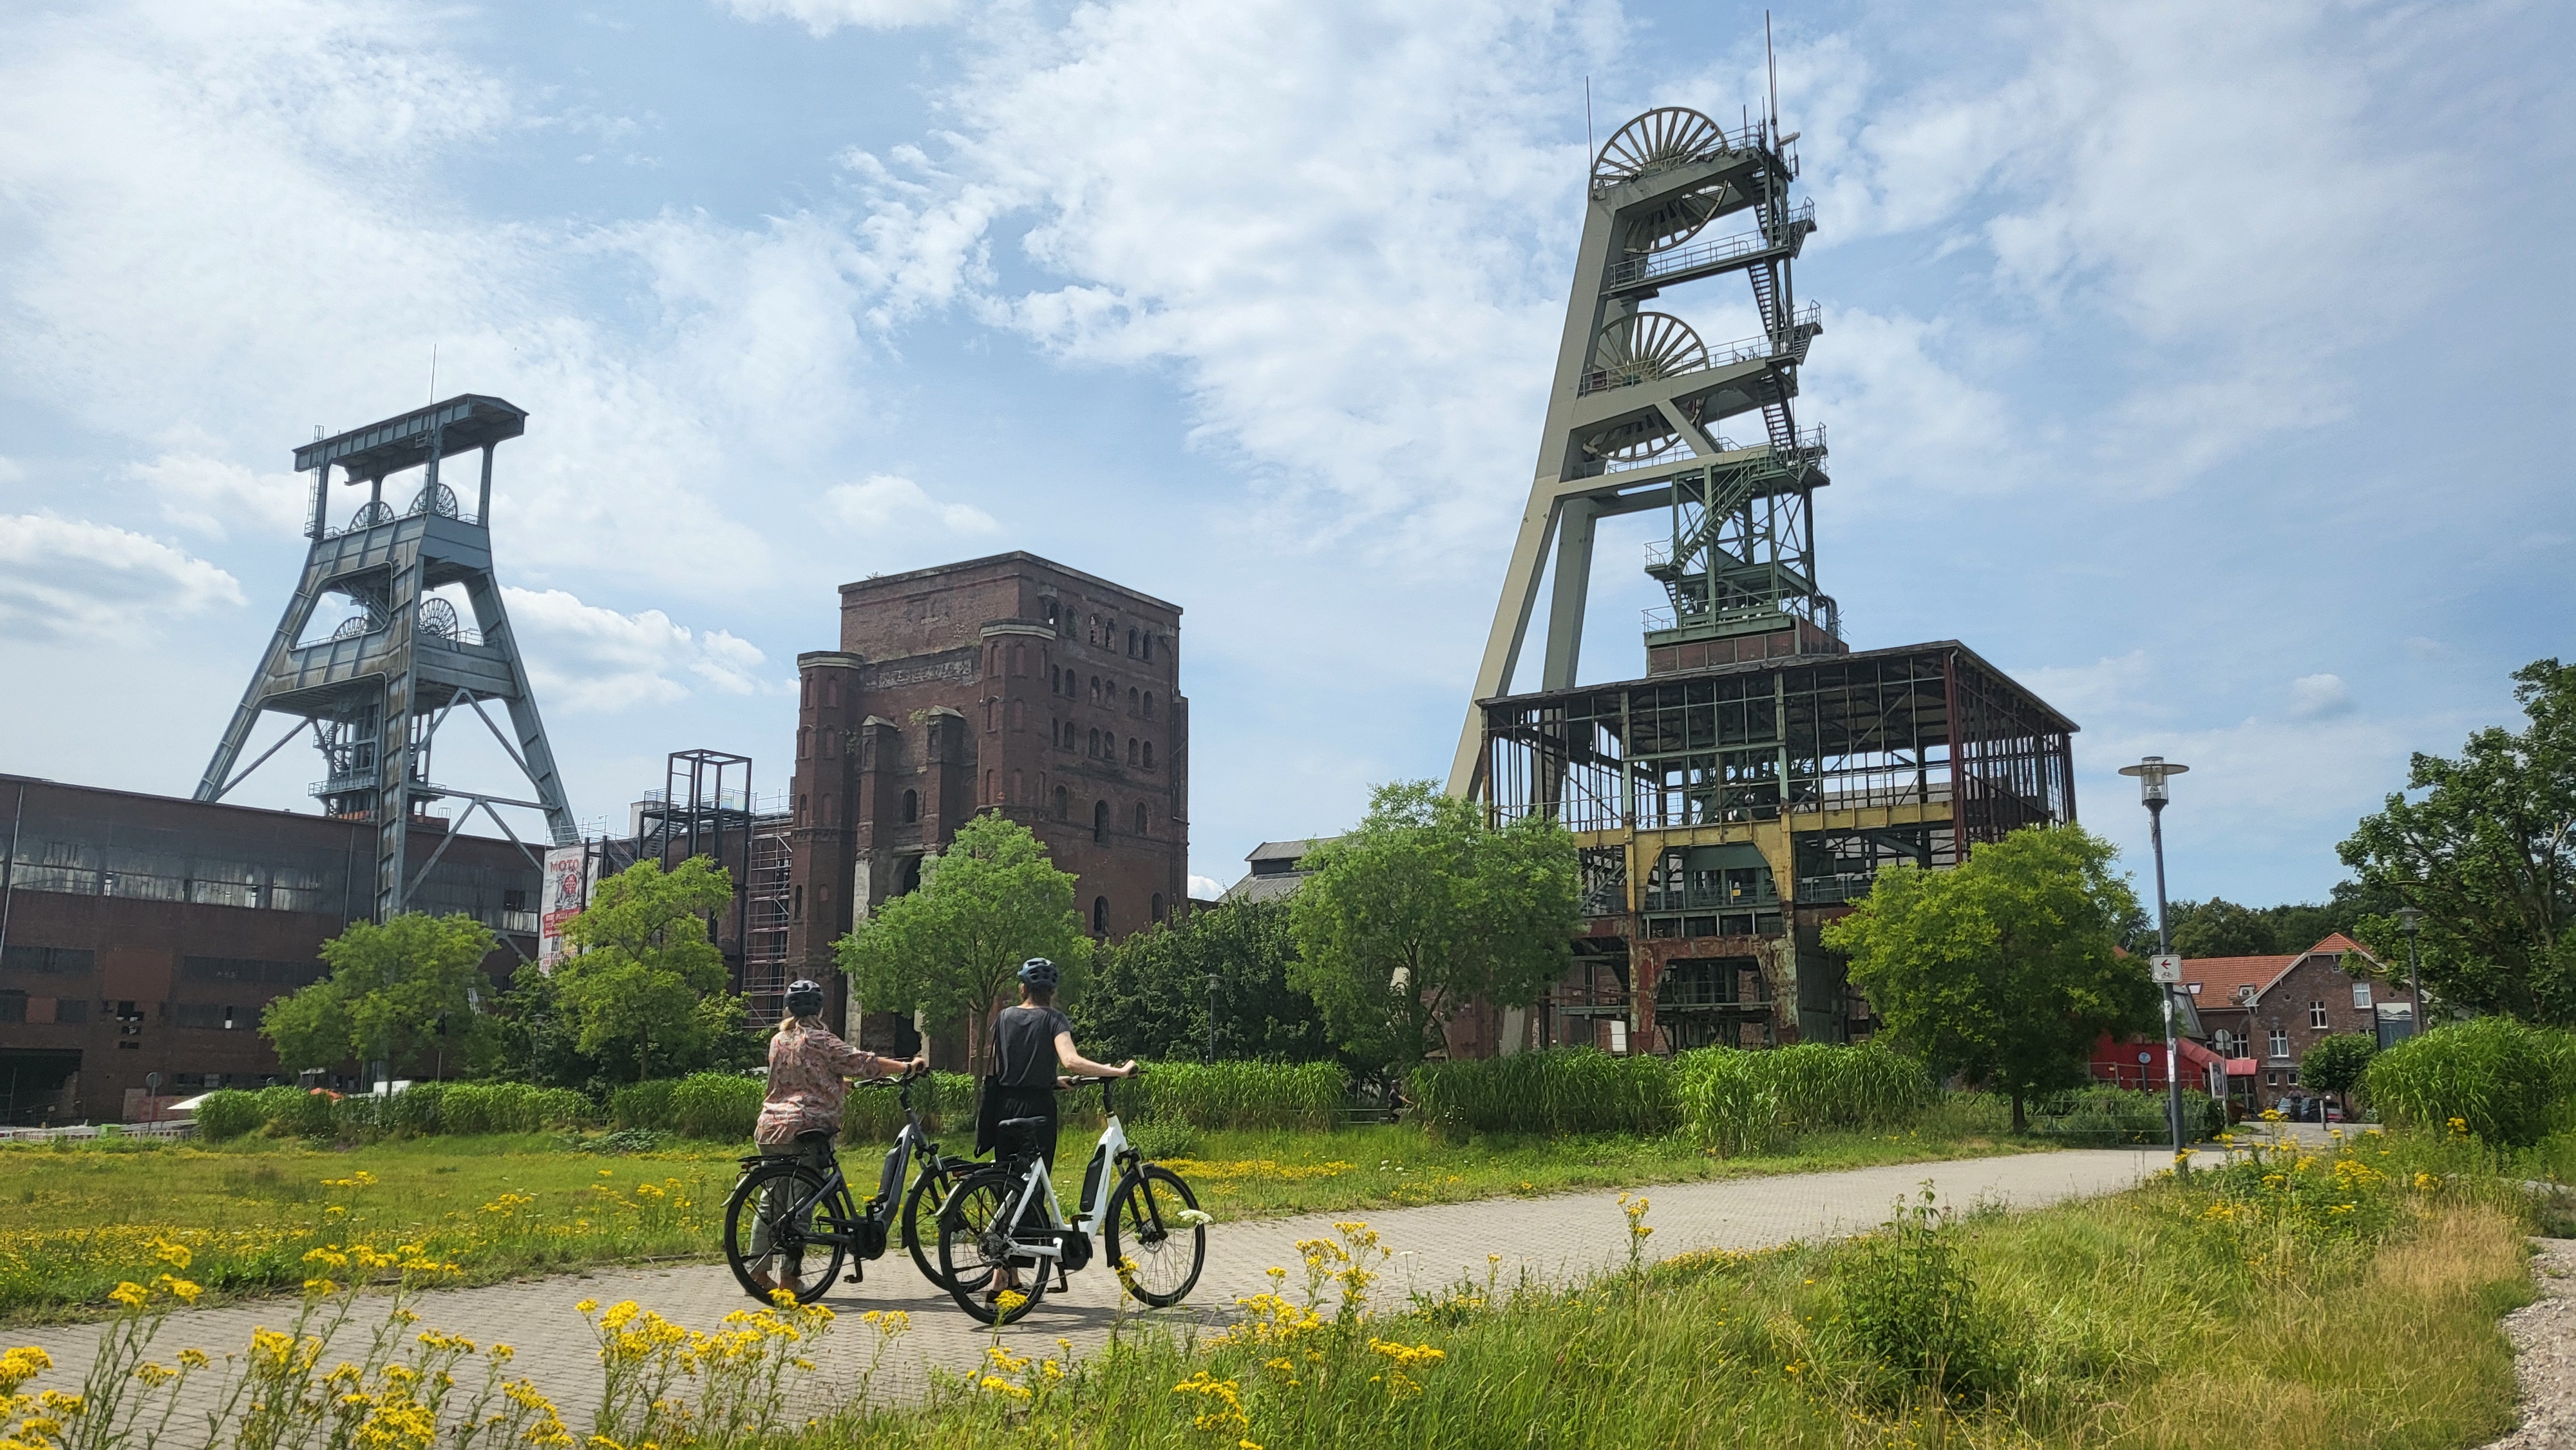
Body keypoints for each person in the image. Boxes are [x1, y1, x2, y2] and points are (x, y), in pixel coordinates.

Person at [748, 977, 925, 1297]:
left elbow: (795, 1075)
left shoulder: (779, 1040)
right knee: (802, 1202)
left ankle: (758, 1273)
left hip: (771, 1127)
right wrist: (908, 1067)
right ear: (820, 1009)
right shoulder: (822, 1039)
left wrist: (835, 1083)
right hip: (806, 1129)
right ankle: (789, 1277)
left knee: (770, 1200)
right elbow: (863, 1063)